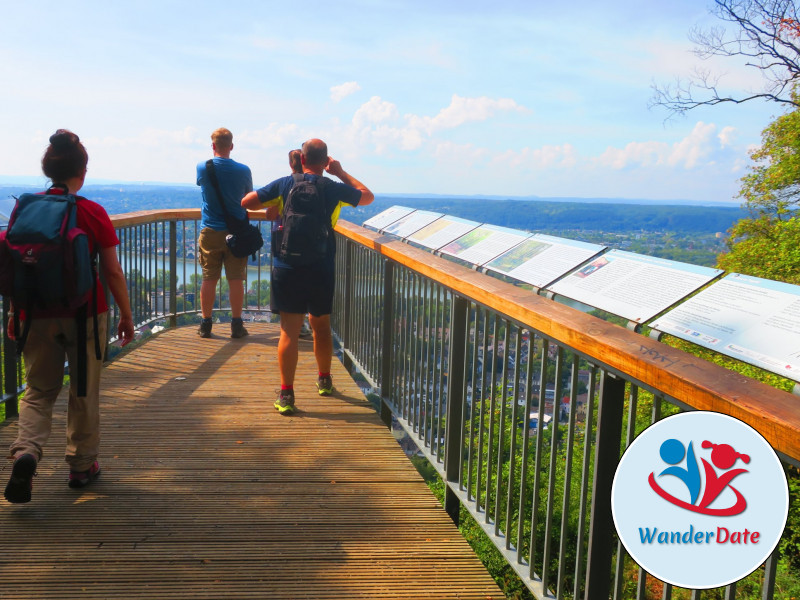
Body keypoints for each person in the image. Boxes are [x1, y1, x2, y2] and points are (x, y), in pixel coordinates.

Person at [4, 129, 135, 504]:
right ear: (83, 171)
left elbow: (20, 265)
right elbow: (112, 272)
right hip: (85, 314)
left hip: (35, 313)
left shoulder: (24, 207)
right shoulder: (91, 211)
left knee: (39, 390)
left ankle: (26, 451)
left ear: (48, 169)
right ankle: (81, 467)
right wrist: (125, 315)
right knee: (82, 390)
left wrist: (15, 311)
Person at [242, 139, 374, 414]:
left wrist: (271, 213)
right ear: (325, 162)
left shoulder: (284, 184)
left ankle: (287, 394)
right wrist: (339, 172)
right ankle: (324, 380)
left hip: (286, 265)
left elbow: (246, 202)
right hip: (321, 267)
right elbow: (366, 195)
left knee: (288, 332)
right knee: (321, 327)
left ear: (302, 160)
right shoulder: (332, 187)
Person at [196, 128, 254, 339]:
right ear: (231, 146)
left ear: (213, 146)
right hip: (236, 232)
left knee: (209, 278)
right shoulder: (244, 170)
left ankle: (205, 324)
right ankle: (237, 325)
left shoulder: (202, 167)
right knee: (236, 279)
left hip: (210, 230)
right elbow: (248, 197)